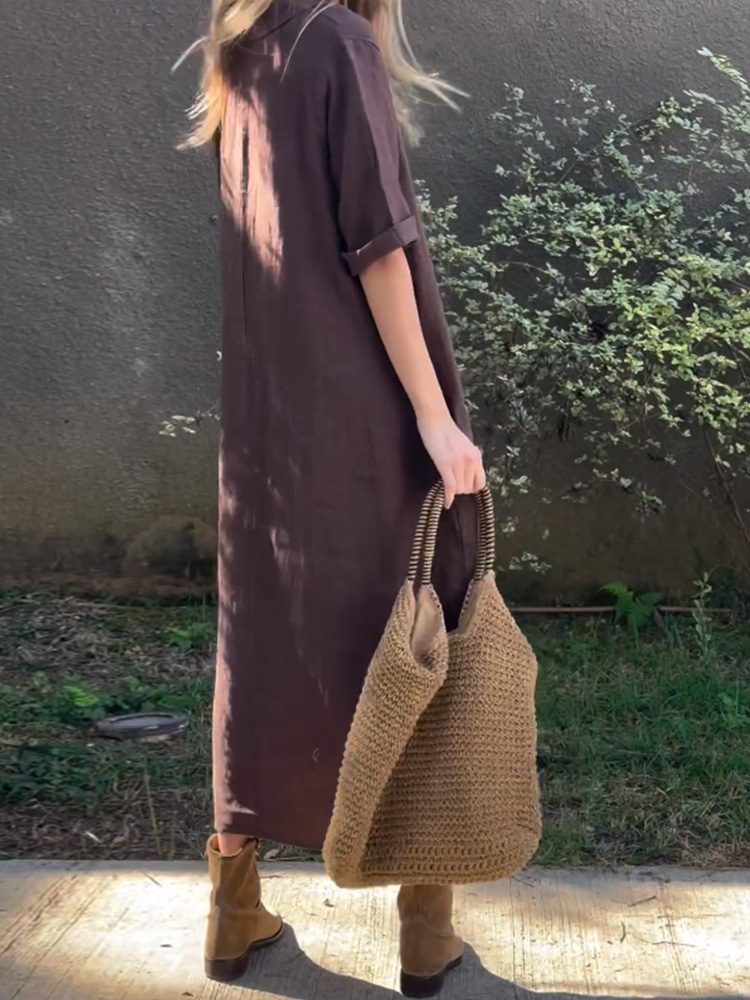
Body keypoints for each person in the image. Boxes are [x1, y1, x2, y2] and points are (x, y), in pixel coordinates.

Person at [183, 0, 485, 995]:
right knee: (419, 614)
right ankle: (426, 930)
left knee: (261, 642)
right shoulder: (339, 43)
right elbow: (379, 247)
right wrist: (434, 418)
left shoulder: (245, 47)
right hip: (359, 408)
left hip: (268, 424)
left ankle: (232, 908)